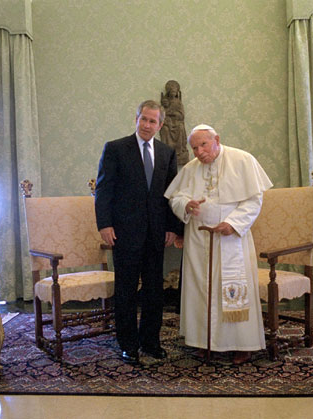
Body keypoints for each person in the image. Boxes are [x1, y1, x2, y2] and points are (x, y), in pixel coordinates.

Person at [164, 124, 273, 364]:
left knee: (232, 288)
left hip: (231, 238)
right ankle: (203, 342)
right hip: (198, 239)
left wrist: (233, 223)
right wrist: (185, 205)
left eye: (203, 144)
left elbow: (254, 200)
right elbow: (176, 198)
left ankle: (242, 345)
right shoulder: (191, 169)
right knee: (199, 290)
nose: (199, 152)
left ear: (217, 140)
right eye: (194, 148)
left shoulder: (242, 159)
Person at [95, 100, 180, 364]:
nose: (147, 125)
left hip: (156, 234)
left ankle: (151, 342)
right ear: (136, 119)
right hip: (124, 233)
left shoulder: (167, 152)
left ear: (160, 125)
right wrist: (104, 224)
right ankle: (128, 344)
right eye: (143, 119)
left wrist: (172, 228)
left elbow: (172, 194)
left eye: (153, 121)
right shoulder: (116, 148)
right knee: (126, 290)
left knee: (154, 291)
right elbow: (104, 189)